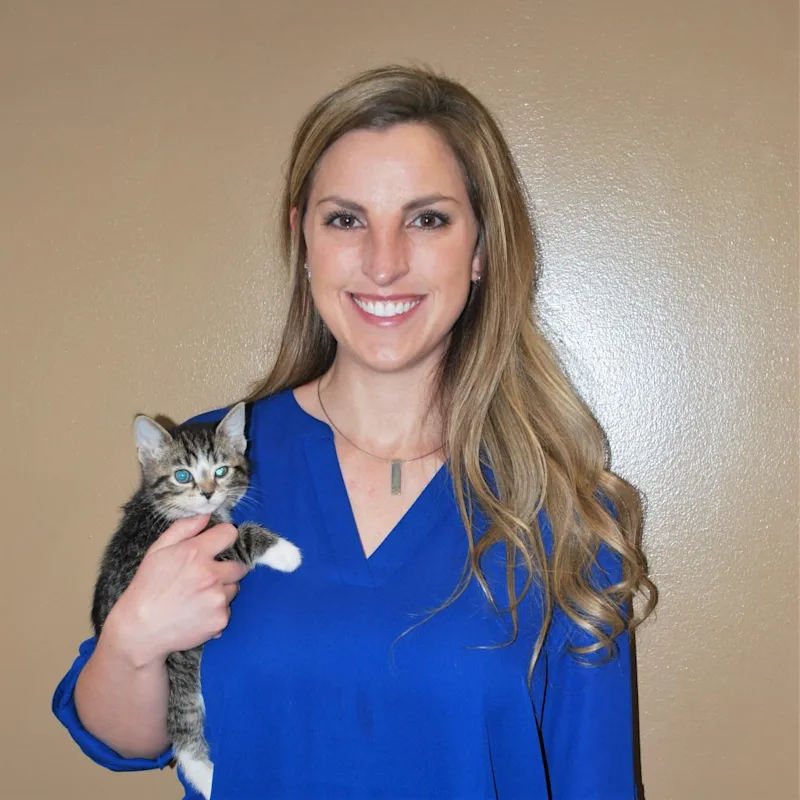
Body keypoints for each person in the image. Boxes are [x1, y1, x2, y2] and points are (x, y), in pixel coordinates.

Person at [53, 64, 657, 799]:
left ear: (481, 250)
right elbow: (129, 738)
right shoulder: (212, 467)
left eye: (427, 219)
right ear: (302, 240)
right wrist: (132, 638)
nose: (383, 262)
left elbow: (594, 780)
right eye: (345, 219)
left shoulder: (564, 506)